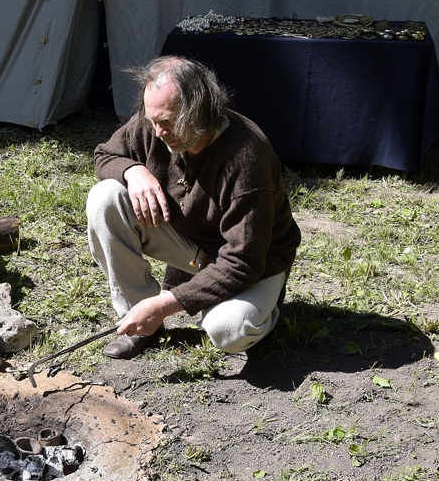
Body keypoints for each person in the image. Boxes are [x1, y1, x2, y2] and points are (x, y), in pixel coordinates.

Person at [87, 55, 301, 359]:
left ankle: (263, 311)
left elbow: (244, 261)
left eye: (167, 122)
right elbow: (105, 156)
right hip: (193, 249)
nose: (158, 133)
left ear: (199, 112)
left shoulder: (247, 157)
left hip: (256, 262)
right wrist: (132, 172)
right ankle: (142, 323)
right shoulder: (155, 122)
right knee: (105, 196)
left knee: (229, 330)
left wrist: (166, 303)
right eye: (152, 121)